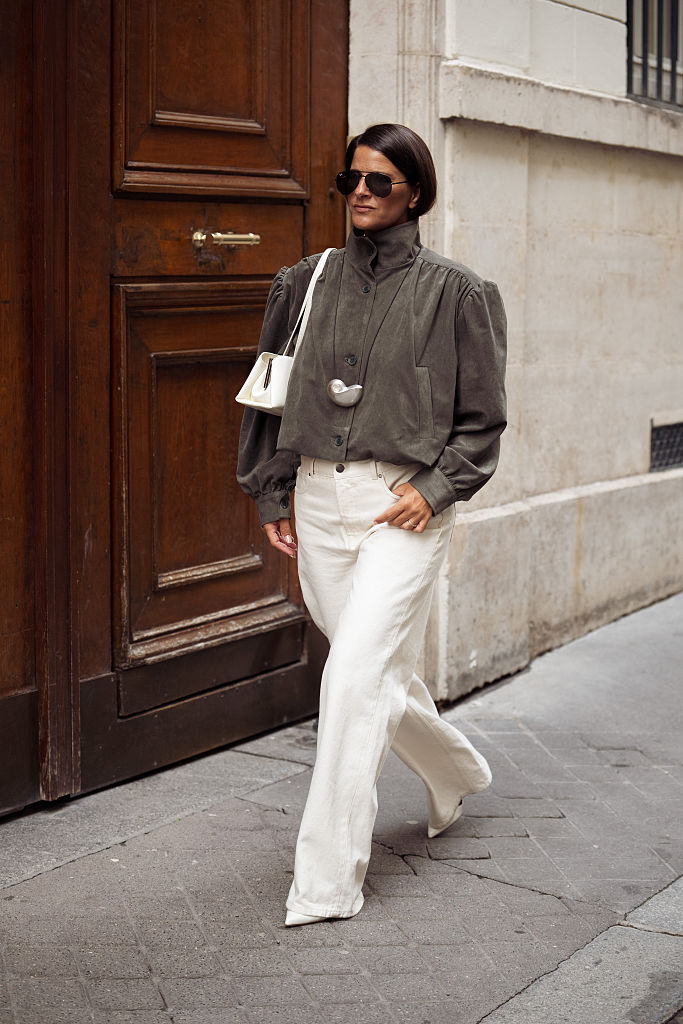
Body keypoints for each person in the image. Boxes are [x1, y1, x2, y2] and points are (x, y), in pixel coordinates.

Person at [237, 123, 507, 926]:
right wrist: (272, 492)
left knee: (352, 679)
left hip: (404, 507)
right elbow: (266, 395)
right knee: (376, 671)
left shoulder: (458, 293)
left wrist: (437, 488)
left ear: (414, 192)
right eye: (350, 179)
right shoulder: (303, 282)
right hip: (318, 500)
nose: (360, 191)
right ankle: (455, 772)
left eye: (379, 181)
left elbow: (483, 419)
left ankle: (325, 883)